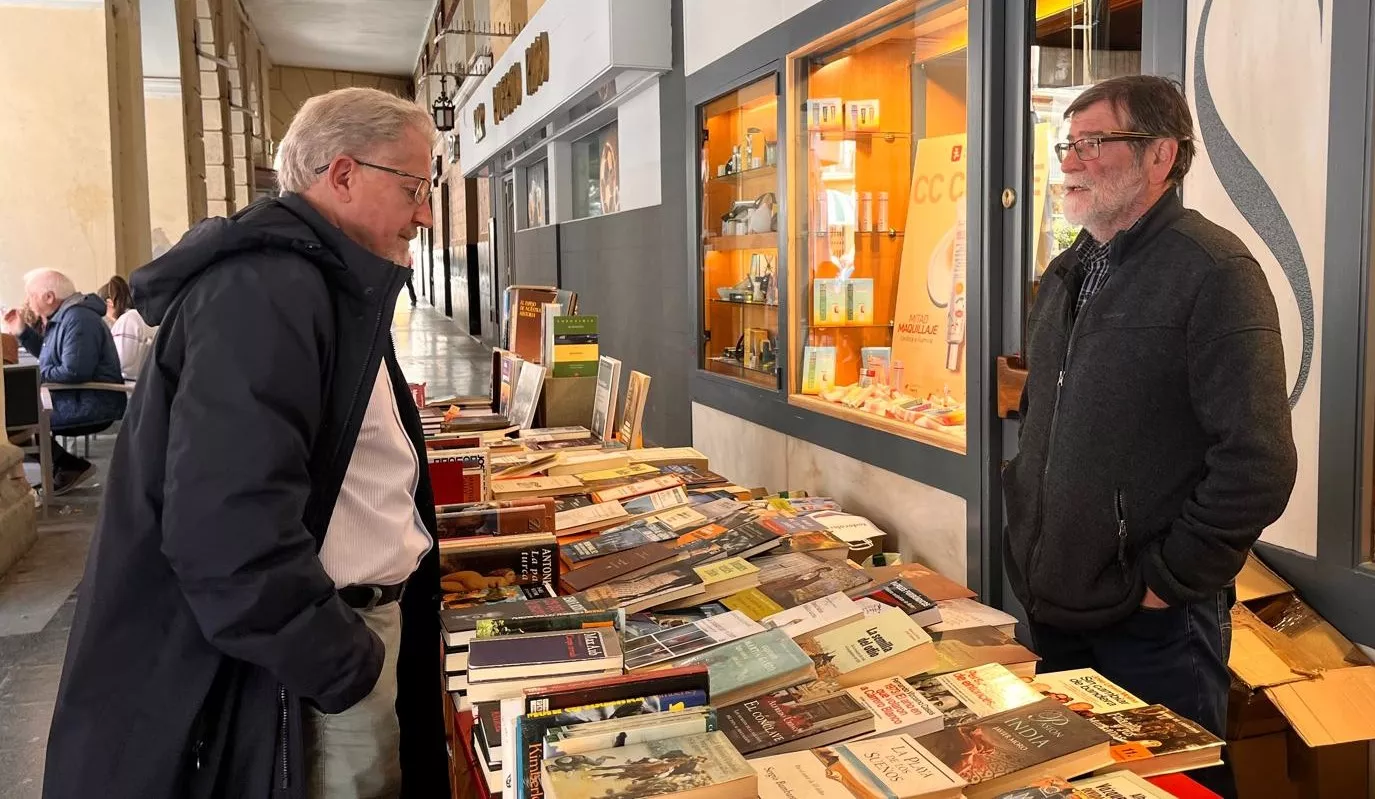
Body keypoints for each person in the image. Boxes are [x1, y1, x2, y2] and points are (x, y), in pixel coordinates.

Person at [44, 87, 448, 799]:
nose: (424, 212)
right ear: (343, 173)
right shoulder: (265, 295)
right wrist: (344, 661)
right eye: (414, 186)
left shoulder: (321, 284)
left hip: (341, 634)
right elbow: (226, 534)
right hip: (316, 660)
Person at [1003, 76, 1297, 799]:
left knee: (1172, 790)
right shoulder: (1067, 270)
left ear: (1160, 155)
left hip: (1153, 627)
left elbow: (1256, 460)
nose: (1070, 159)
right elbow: (1046, 412)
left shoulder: (1212, 271)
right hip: (1056, 607)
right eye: (1066, 143)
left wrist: (1166, 582)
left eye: (1092, 142)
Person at [3, 269, 127, 495]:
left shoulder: (78, 318)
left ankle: (69, 466)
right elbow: (50, 357)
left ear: (49, 297)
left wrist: (37, 375)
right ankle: (65, 467)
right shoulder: (66, 317)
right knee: (14, 416)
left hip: (93, 402)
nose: (28, 302)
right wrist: (23, 332)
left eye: (31, 295)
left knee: (14, 422)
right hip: (77, 396)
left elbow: (74, 371)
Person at [97, 274, 156, 379]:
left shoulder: (127, 320)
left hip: (128, 387)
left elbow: (122, 362)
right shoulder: (141, 317)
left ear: (109, 303)